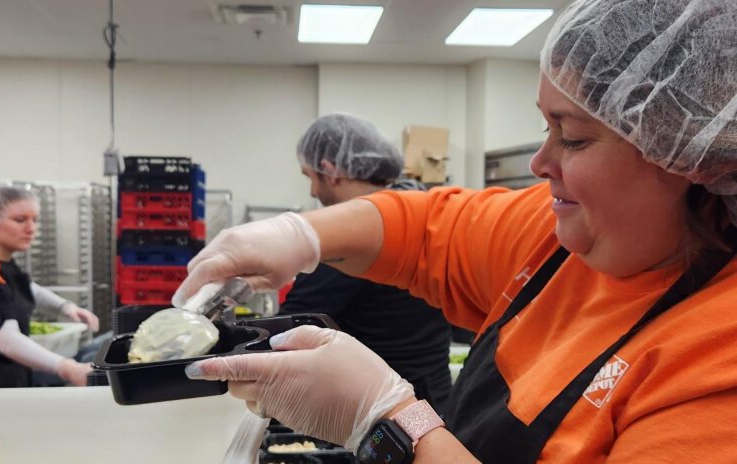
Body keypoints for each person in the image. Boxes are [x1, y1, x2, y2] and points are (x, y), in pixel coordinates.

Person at [174, 0, 737, 462]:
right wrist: (299, 235)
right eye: (545, 128)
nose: (541, 162)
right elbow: (422, 227)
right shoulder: (566, 240)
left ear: (686, 155)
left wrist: (389, 423)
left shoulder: (716, 369)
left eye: (573, 136)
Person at [279, 113, 452, 414]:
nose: (313, 193)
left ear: (329, 171)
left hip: (382, 406)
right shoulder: (421, 207)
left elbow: (295, 324)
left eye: (311, 178)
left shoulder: (348, 232)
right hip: (434, 396)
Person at [0, 186, 97, 387]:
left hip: (16, 376)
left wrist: (65, 307)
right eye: (20, 220)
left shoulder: (3, 264)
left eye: (34, 220)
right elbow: (6, 338)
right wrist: (67, 368)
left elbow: (26, 287)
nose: (31, 229)